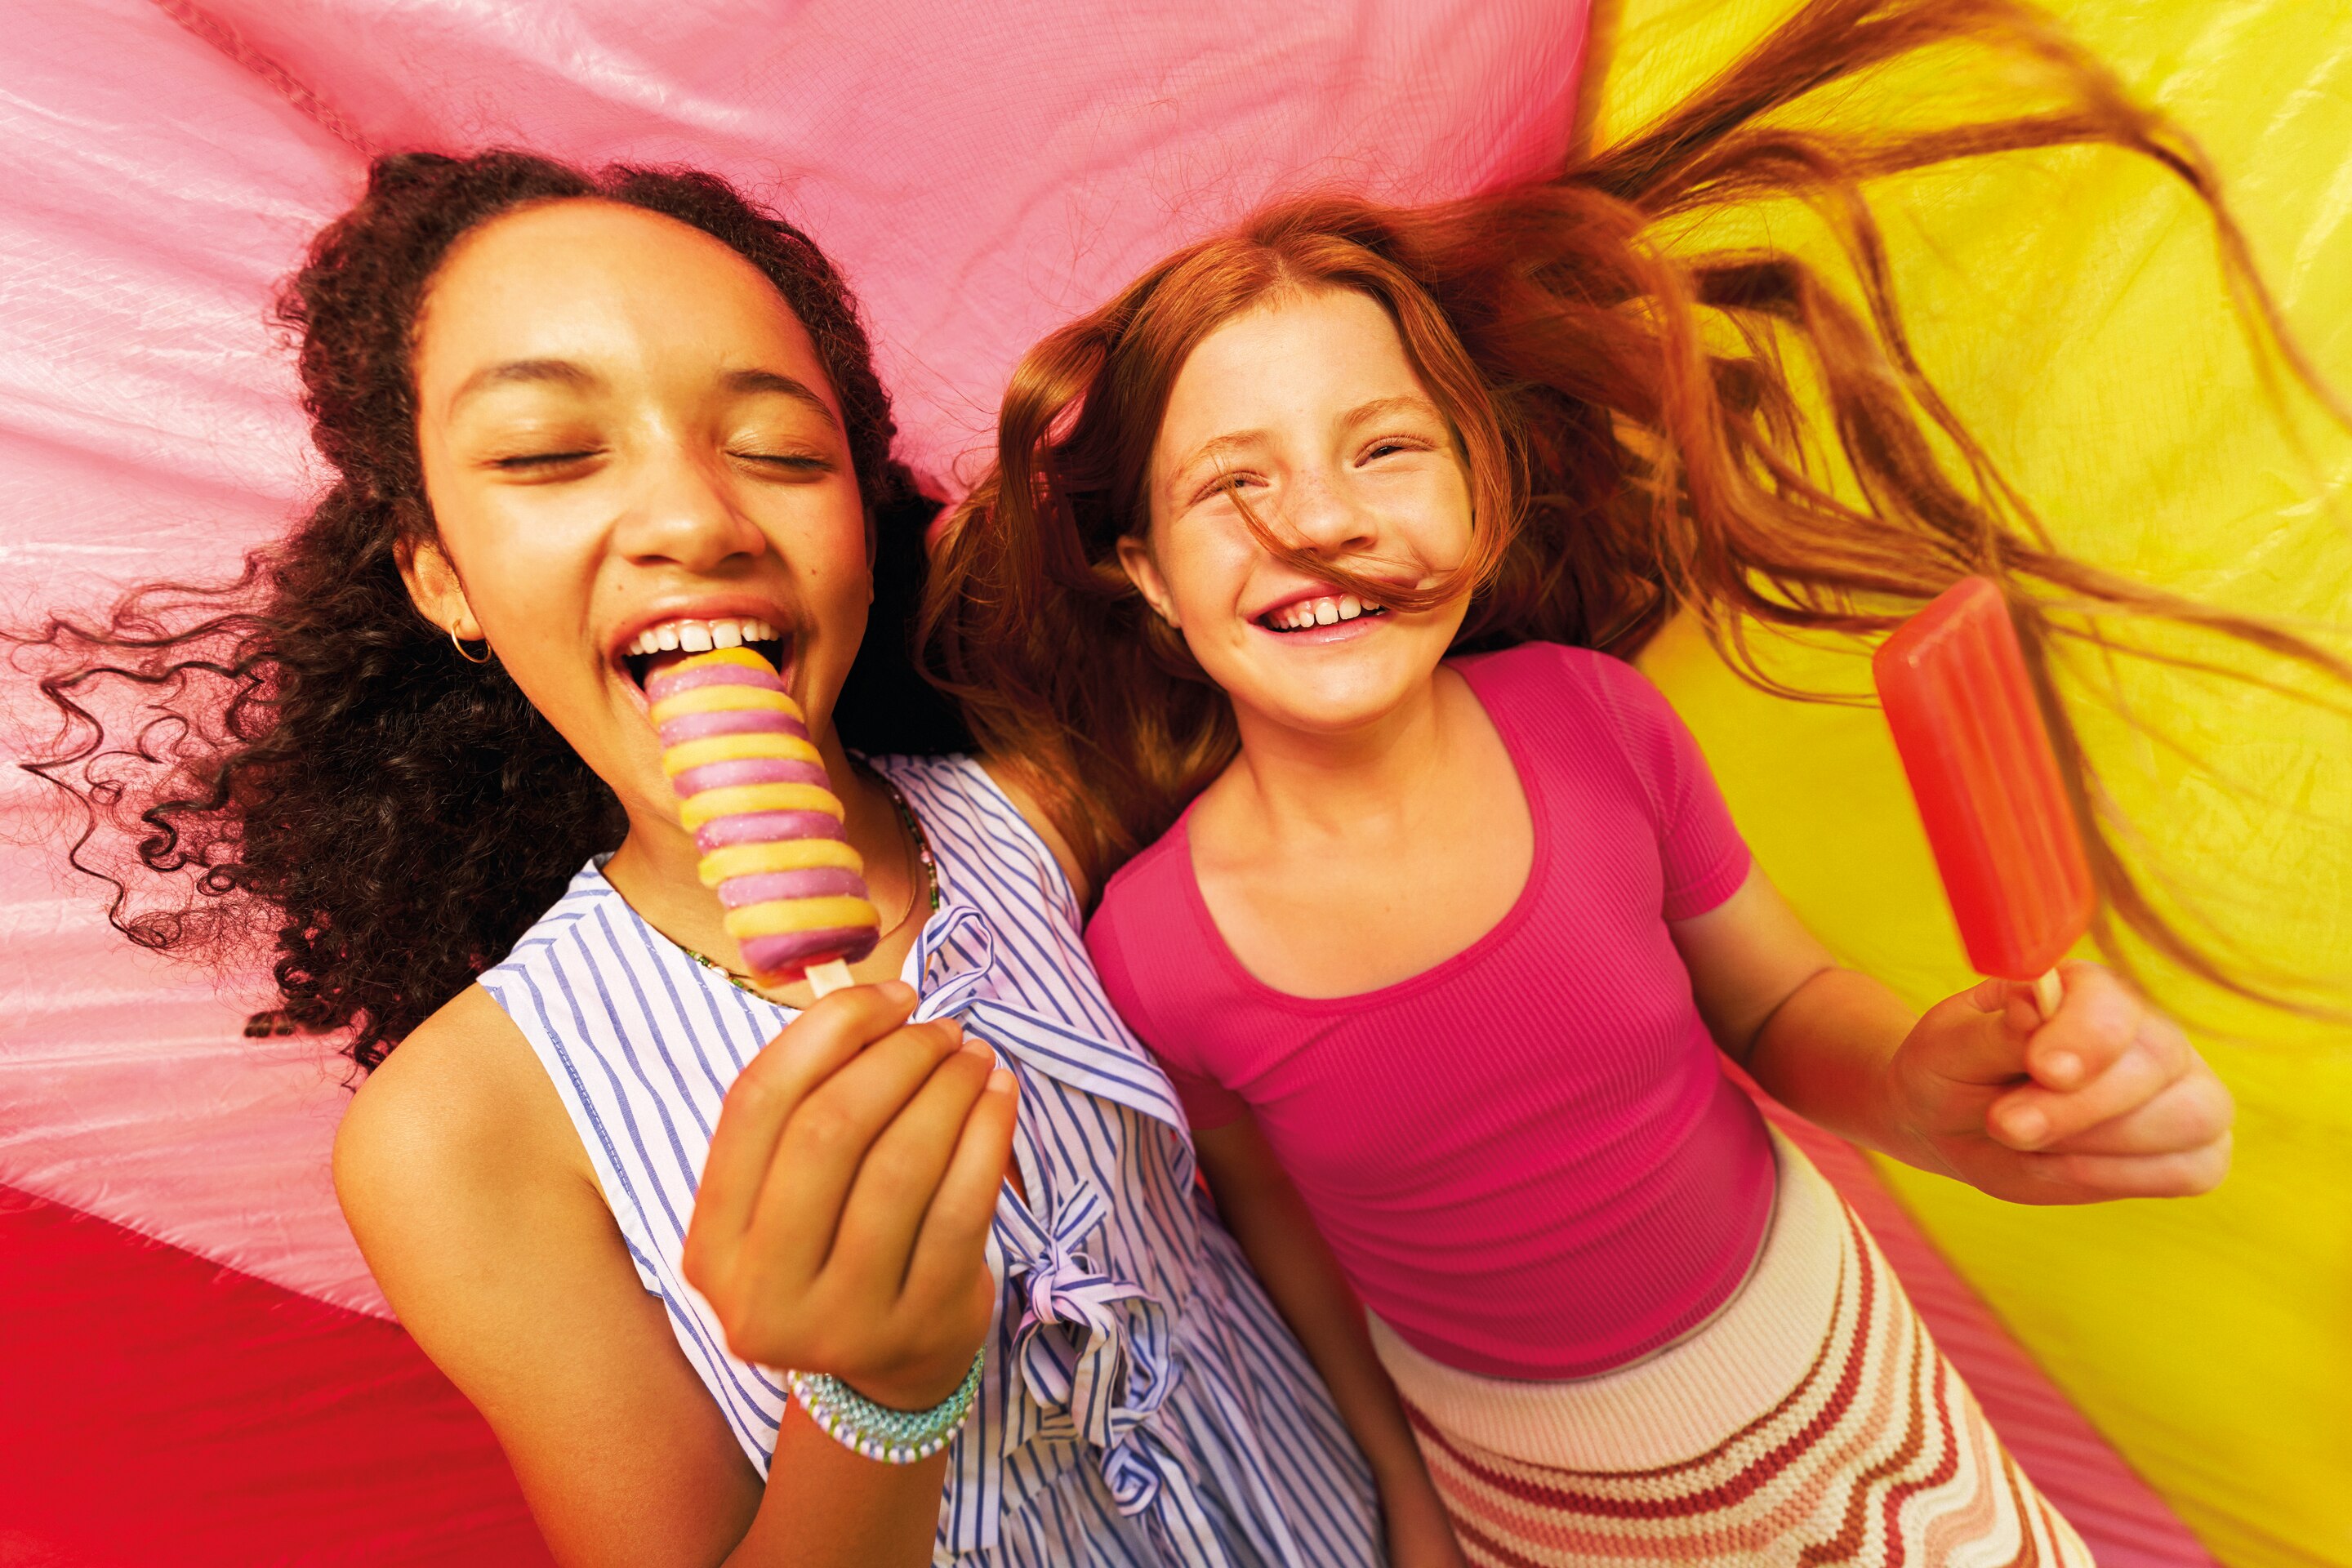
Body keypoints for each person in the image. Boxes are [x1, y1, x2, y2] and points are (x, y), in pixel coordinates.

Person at [920, 1, 2344, 1561]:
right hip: (1535, 1492)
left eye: (1385, 450)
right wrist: (1405, 1489)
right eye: (1232, 484)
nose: (1318, 521)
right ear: (1144, 574)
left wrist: (1939, 1085)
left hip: (1833, 1376)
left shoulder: (1597, 725)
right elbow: (1281, 1238)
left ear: (1486, 487)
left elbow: (1783, 1009)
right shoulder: (1151, 948)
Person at [20, 153, 1391, 1567]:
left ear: (862, 528)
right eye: (550, 452)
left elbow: (1302, 1173)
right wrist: (874, 1401)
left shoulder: (1064, 808)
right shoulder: (462, 1135)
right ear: (440, 577)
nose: (693, 522)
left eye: (784, 452)